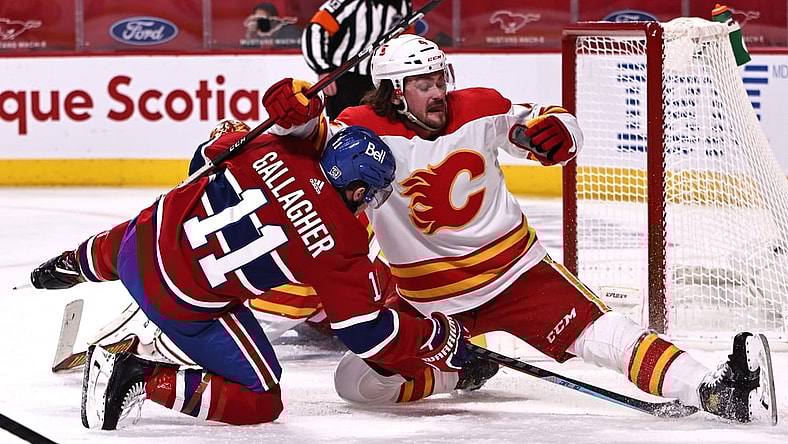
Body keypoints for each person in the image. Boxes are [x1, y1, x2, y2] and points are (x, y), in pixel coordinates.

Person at [259, 34, 776, 421]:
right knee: (356, 382)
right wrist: (290, 108)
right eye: (424, 84)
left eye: (441, 79)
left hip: (516, 275)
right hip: (427, 300)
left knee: (606, 335)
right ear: (395, 93)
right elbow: (304, 132)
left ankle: (711, 383)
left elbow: (541, 122)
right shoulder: (360, 127)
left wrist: (559, 131)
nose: (439, 92)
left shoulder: (478, 107)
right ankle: (459, 370)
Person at [28, 119, 472, 430]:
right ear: (357, 190)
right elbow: (365, 334)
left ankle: (73, 263)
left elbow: (202, 159)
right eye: (371, 195)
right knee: (262, 400)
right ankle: (139, 378)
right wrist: (433, 337)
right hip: (182, 304)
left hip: (134, 248)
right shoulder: (342, 242)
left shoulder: (270, 146)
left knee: (155, 226)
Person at [302, 0, 412, 119]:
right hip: (345, 77)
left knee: (378, 127)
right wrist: (323, 69)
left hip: (381, 79)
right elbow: (316, 29)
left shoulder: (403, 4)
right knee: (343, 128)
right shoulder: (348, 2)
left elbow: (406, 39)